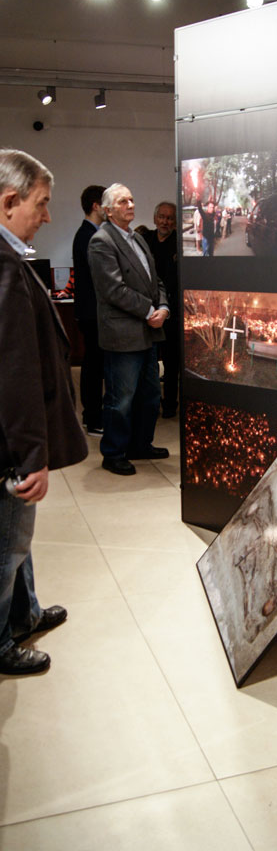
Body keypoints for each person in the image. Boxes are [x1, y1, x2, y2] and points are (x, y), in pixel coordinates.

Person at [0, 148, 88, 675]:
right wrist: (32, 455)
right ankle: (2, 643)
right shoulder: (4, 266)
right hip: (11, 446)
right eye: (41, 204)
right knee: (8, 544)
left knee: (17, 536)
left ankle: (25, 613)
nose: (48, 216)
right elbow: (14, 372)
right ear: (9, 202)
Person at [88, 184, 170, 476]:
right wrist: (149, 311)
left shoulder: (138, 239)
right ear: (108, 210)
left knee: (150, 396)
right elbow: (113, 290)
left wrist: (164, 307)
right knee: (120, 399)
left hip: (148, 332)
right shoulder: (101, 241)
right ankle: (114, 453)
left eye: (132, 200)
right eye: (123, 201)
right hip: (123, 335)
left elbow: (155, 280)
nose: (131, 205)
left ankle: (140, 445)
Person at [72, 185, 105, 435]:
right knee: (93, 366)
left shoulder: (90, 233)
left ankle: (91, 415)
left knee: (94, 364)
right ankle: (92, 418)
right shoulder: (88, 235)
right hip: (92, 312)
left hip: (91, 311)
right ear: (96, 205)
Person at [143, 201, 179, 418]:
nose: (165, 221)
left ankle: (170, 405)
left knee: (171, 362)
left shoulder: (179, 244)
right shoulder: (145, 241)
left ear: (175, 222)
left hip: (173, 312)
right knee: (149, 361)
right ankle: (150, 404)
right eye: (162, 217)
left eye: (170, 218)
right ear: (155, 218)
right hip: (148, 310)